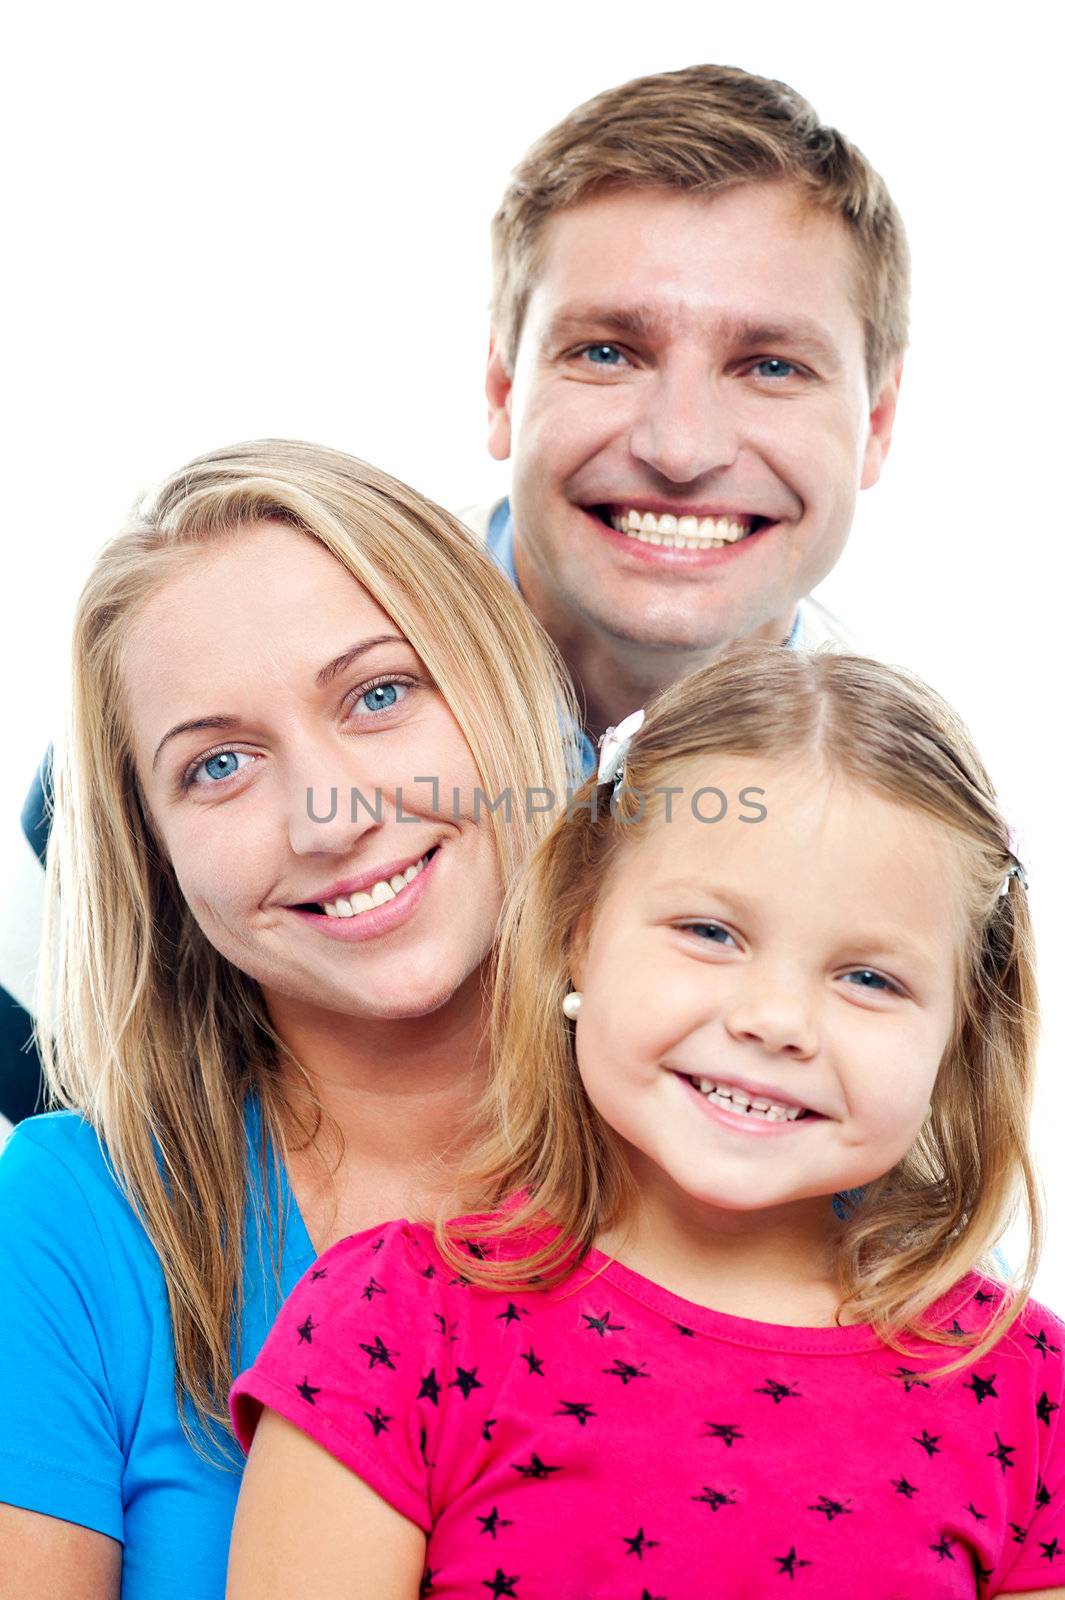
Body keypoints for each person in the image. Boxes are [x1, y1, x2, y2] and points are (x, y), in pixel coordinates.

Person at [1, 61, 909, 1126]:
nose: (680, 448)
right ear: (501, 390)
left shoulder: (888, 821)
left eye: (771, 367)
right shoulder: (248, 666)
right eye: (607, 351)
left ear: (878, 427)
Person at [228, 646, 1065, 1598]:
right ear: (579, 931)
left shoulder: (1027, 1392)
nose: (775, 1021)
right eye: (711, 933)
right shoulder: (396, 1325)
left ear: (959, 1033)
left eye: (868, 979)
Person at [0, 439, 578, 1600]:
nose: (331, 815)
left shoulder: (754, 1161)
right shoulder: (75, 1219)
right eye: (218, 764)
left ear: (502, 688)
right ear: (154, 857)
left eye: (379, 693)